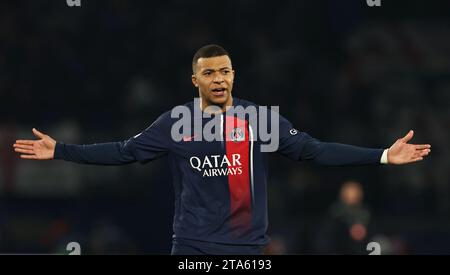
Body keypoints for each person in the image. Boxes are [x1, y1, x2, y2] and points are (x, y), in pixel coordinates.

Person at [12, 44, 431, 255]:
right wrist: (62, 150)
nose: (218, 78)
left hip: (247, 251)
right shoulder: (175, 123)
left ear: (234, 75)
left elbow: (314, 150)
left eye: (225, 70)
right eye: (208, 72)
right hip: (192, 246)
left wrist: (381, 155)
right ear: (194, 80)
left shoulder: (259, 120)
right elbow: (124, 152)